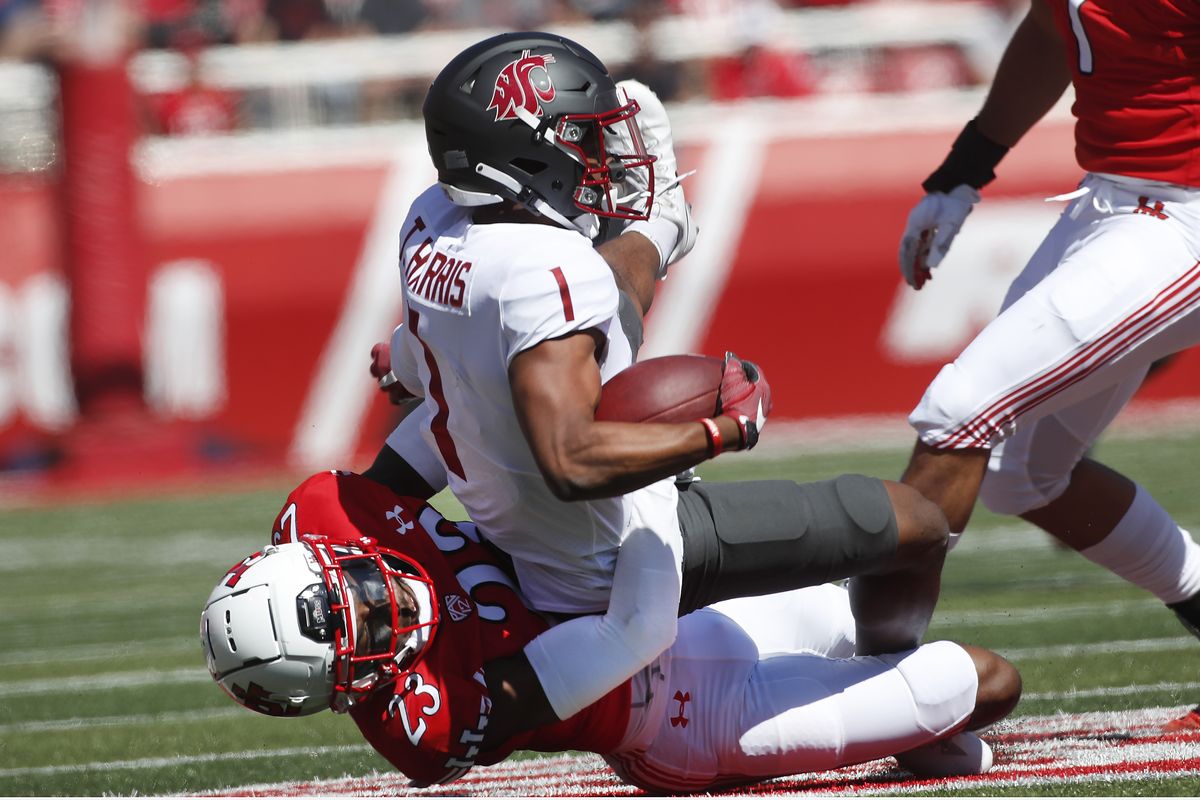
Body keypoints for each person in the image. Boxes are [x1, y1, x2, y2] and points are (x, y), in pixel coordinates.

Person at [360, 30, 961, 752]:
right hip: (611, 554)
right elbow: (574, 459)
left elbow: (517, 325)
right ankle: (893, 687)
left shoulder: (433, 221)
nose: (594, 157)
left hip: (523, 531)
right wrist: (718, 433)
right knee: (917, 522)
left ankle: (664, 227)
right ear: (522, 145)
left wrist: (405, 357)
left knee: (592, 320)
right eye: (580, 138)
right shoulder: (539, 267)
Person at [200, 470, 1021, 790]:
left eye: (357, 585)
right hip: (684, 721)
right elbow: (633, 632)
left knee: (885, 573)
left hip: (695, 616)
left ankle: (919, 733)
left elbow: (437, 442)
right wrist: (649, 478)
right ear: (351, 687)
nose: (388, 600)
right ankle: (921, 724)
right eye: (368, 632)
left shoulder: (327, 513)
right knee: (983, 680)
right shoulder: (427, 722)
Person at [895, 0, 1200, 728]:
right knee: (1021, 476)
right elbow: (1049, 29)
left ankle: (866, 667)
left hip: (1182, 210)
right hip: (1110, 202)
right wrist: (964, 170)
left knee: (960, 409)